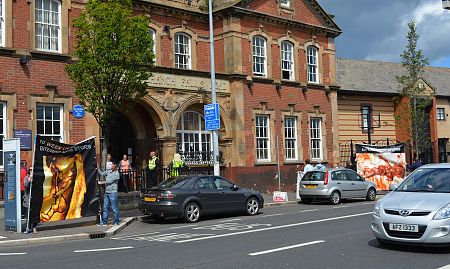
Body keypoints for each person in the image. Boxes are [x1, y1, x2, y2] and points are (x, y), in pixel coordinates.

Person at [23, 167, 38, 234]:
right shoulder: (26, 177)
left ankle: (34, 227)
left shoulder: (36, 178)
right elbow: (25, 186)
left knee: (34, 214)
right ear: (29, 171)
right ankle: (28, 228)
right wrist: (30, 179)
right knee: (28, 215)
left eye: (33, 170)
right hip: (28, 199)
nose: (32, 171)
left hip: (35, 199)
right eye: (30, 170)